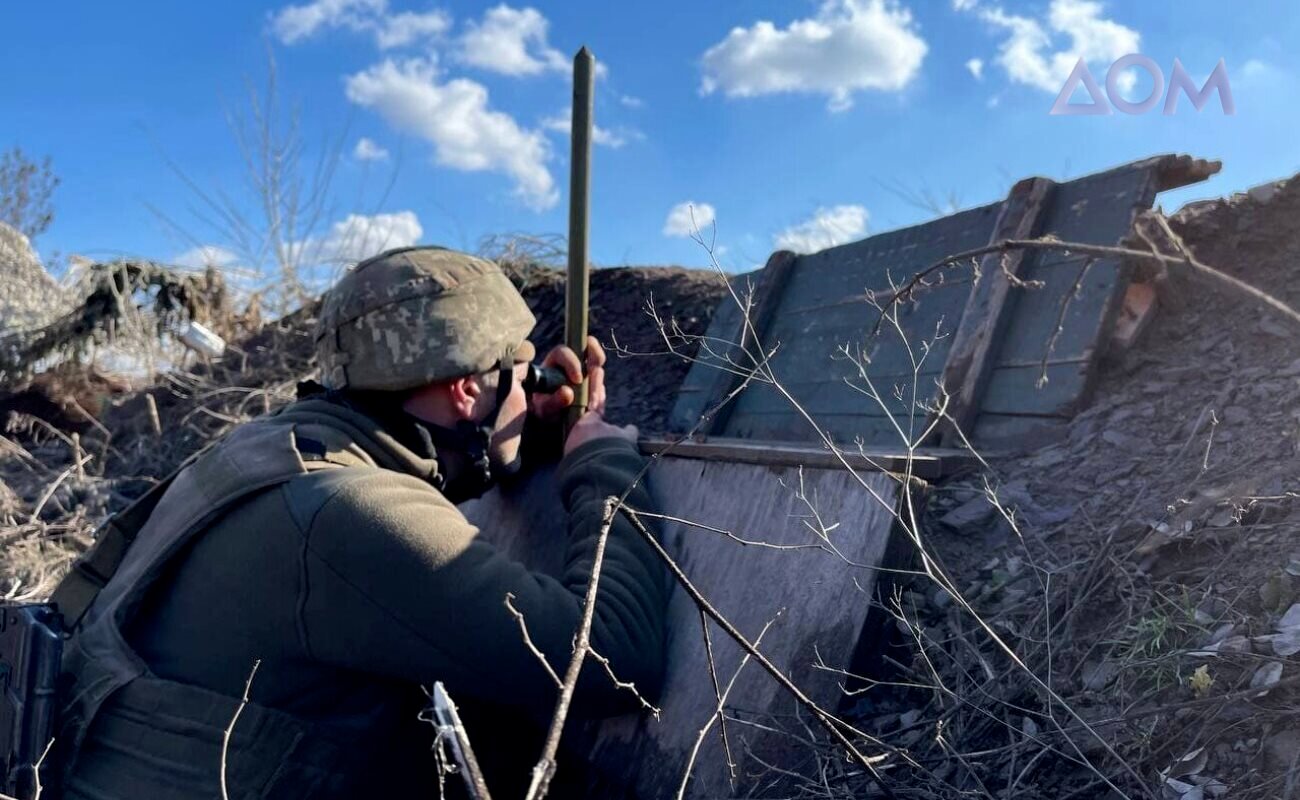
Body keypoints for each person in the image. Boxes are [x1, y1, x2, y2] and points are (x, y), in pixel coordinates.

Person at [55, 246, 671, 798]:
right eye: (521, 369)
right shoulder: (344, 514)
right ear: (464, 390)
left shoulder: (268, 449)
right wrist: (602, 461)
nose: (529, 385)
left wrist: (514, 435)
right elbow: (610, 656)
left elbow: (419, 465)